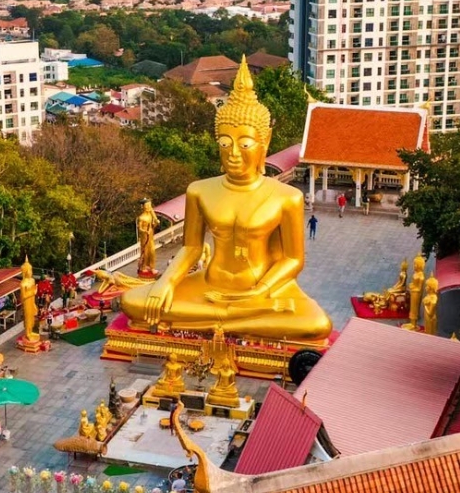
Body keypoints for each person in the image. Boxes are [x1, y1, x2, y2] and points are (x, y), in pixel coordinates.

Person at [120, 57, 332, 341]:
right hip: (209, 285)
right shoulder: (200, 190)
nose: (233, 153)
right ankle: (233, 321)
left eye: (245, 144)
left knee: (316, 324)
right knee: (134, 302)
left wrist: (262, 290)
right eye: (224, 143)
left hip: (263, 290)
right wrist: (165, 283)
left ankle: (221, 321)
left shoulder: (287, 197)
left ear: (265, 142)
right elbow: (191, 249)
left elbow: (293, 260)